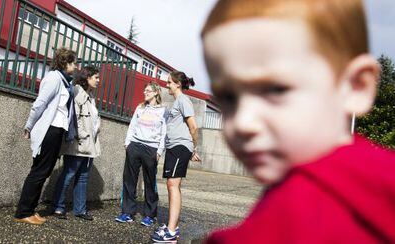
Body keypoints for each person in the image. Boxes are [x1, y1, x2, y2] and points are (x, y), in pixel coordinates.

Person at [201, 0, 395, 242]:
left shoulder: (288, 220)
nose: (243, 122)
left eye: (276, 89)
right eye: (228, 97)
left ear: (356, 87)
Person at [14, 48, 77, 225]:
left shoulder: (65, 82)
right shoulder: (54, 78)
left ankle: (29, 210)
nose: (76, 66)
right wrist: (29, 125)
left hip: (57, 130)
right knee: (39, 171)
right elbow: (40, 103)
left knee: (43, 171)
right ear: (65, 63)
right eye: (73, 62)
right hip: (50, 129)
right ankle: (23, 212)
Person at [151, 71, 201, 242]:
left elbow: (193, 127)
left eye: (169, 82)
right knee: (172, 185)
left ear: (178, 84)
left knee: (173, 184)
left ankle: (171, 231)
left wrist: (193, 148)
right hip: (175, 147)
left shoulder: (183, 100)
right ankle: (173, 225)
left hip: (180, 146)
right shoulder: (177, 102)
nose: (167, 85)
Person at [53, 66, 101, 221]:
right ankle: (58, 207)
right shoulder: (78, 91)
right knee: (69, 174)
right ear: (87, 77)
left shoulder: (90, 96)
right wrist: (82, 136)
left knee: (83, 177)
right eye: (96, 77)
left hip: (89, 144)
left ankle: (80, 210)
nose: (98, 80)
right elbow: (75, 116)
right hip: (79, 143)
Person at [115, 81, 166, 227]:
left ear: (156, 93)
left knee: (150, 182)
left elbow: (164, 133)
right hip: (135, 146)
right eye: (145, 91)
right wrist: (128, 143)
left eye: (148, 91)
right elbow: (132, 126)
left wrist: (159, 151)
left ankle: (150, 215)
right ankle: (127, 213)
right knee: (129, 179)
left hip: (151, 149)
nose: (145, 93)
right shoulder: (140, 107)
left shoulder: (163, 111)